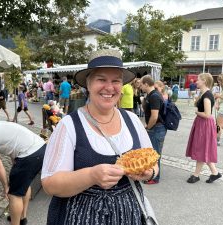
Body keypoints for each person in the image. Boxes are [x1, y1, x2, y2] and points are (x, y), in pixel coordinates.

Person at [41, 49, 159, 225]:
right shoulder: (69, 125)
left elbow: (154, 163)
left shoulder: (132, 120)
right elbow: (50, 184)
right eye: (101, 79)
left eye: (116, 81)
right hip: (79, 217)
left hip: (129, 216)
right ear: (88, 84)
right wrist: (91, 175)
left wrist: (148, 173)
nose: (109, 87)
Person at [185, 73, 221, 184]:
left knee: (200, 148)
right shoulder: (205, 94)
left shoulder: (206, 95)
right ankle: (215, 173)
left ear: (204, 81)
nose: (196, 82)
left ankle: (196, 175)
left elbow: (207, 114)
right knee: (203, 148)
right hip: (203, 124)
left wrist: (197, 112)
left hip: (204, 124)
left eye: (198, 80)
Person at [140, 75, 166, 184]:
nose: (140, 86)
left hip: (157, 128)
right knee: (153, 152)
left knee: (155, 154)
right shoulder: (151, 95)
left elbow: (154, 116)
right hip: (156, 127)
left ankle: (155, 178)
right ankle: (153, 175)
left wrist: (148, 127)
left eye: (141, 84)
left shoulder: (154, 96)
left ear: (146, 84)